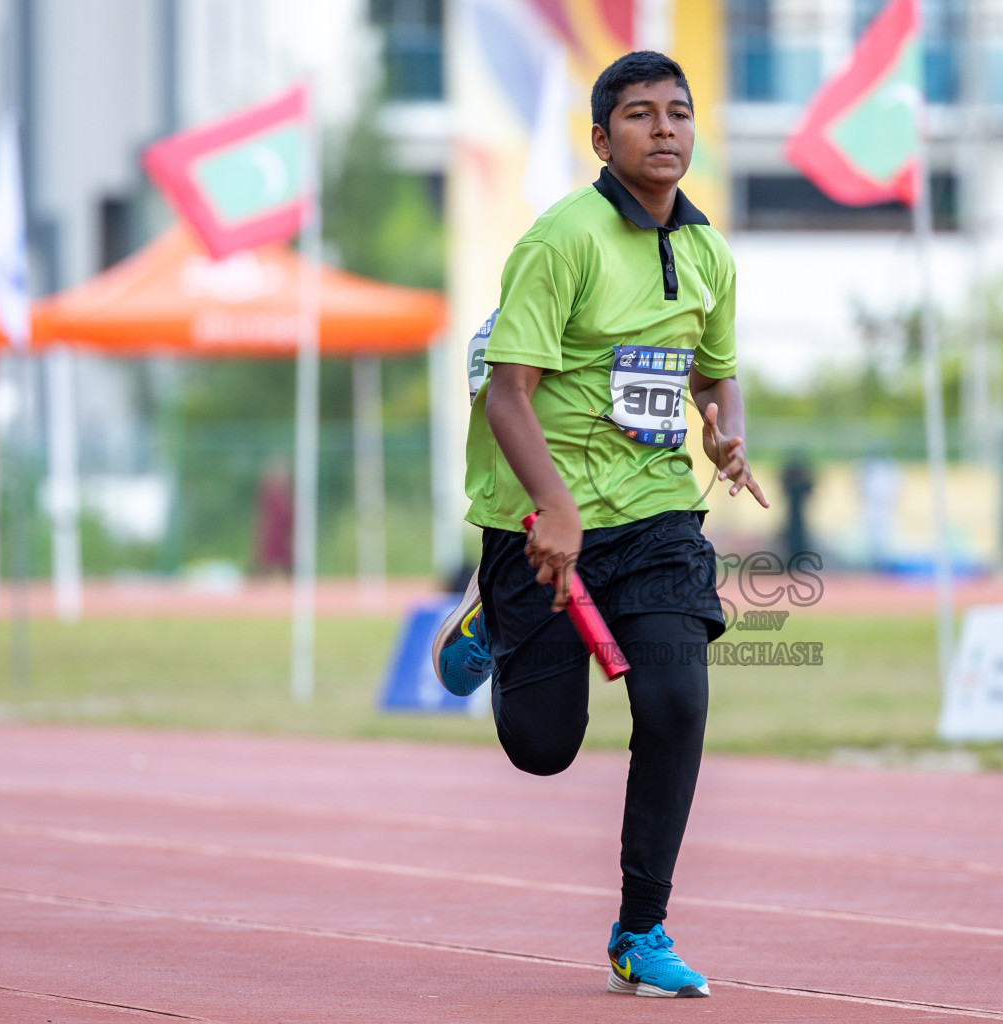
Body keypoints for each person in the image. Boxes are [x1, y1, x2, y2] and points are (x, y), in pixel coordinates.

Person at [431, 51, 767, 999]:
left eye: (679, 112)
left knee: (676, 703)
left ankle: (640, 929)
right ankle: (493, 619)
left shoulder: (707, 253)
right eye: (640, 115)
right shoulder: (560, 240)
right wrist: (557, 509)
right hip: (540, 516)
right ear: (601, 139)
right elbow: (509, 394)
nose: (664, 129)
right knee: (543, 746)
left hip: (657, 512)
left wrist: (725, 430)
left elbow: (714, 370)